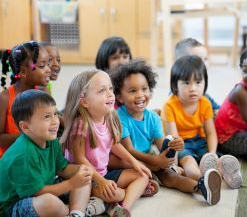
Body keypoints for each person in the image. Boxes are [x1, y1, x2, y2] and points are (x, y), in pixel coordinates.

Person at [110, 59, 222, 205]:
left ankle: (202, 189)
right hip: (126, 160)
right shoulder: (119, 117)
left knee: (171, 176)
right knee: (150, 167)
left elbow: (162, 143)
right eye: (132, 91)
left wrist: (175, 144)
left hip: (147, 159)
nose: (140, 95)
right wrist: (155, 161)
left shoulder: (154, 118)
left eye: (144, 89)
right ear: (119, 96)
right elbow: (129, 149)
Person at [60, 70, 156, 216]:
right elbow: (80, 159)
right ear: (84, 101)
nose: (110, 94)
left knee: (142, 175)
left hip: (103, 174)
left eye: (110, 88)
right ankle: (114, 196)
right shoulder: (81, 124)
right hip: (86, 180)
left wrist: (135, 162)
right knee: (115, 193)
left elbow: (114, 145)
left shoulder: (108, 118)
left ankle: (123, 208)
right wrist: (101, 182)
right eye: (102, 91)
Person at [0, 90, 95, 217]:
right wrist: (71, 184)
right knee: (50, 203)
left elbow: (62, 169)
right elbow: (37, 192)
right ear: (25, 127)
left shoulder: (50, 140)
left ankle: (76, 213)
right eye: (46, 117)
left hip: (45, 189)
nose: (55, 121)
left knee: (83, 177)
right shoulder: (23, 154)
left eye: (55, 114)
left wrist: (81, 169)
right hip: (14, 206)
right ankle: (70, 210)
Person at [162, 55, 241, 189]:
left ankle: (225, 171)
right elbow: (174, 140)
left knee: (215, 158)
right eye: (186, 83)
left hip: (200, 141)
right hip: (182, 145)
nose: (193, 88)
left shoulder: (204, 102)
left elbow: (210, 133)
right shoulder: (169, 105)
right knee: (189, 164)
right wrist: (174, 164)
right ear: (175, 86)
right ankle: (203, 178)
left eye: (198, 82)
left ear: (205, 83)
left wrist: (212, 153)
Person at [0, 41, 51, 158]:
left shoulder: (44, 93)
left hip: (36, 158)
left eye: (48, 64)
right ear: (23, 72)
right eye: (42, 66)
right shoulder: (5, 98)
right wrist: (29, 134)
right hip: (12, 161)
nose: (48, 69)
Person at [175, 38, 220, 112]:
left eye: (205, 59)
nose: (204, 64)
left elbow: (215, 106)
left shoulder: (204, 95)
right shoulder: (177, 92)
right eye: (198, 60)